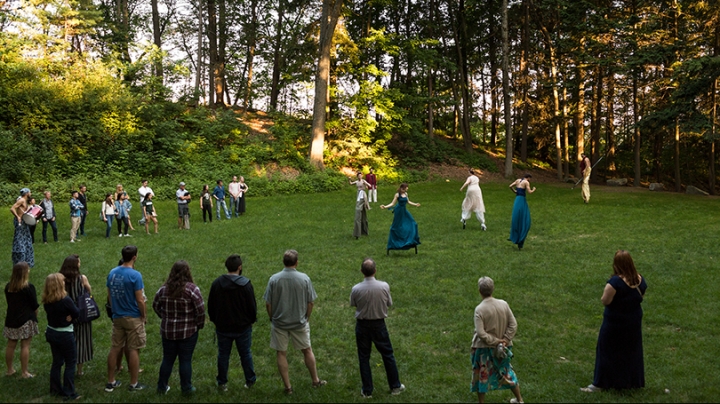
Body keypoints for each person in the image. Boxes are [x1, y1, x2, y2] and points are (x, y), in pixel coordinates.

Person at [581, 250, 647, 393]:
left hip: (615, 323)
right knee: (630, 351)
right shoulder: (640, 280)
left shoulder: (615, 283)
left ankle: (600, 383)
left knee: (606, 351)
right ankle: (630, 381)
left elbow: (605, 300)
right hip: (633, 321)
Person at [263, 250, 326, 394]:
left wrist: (272, 318)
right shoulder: (304, 279)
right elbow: (311, 302)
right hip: (299, 322)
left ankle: (288, 387)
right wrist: (306, 318)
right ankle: (315, 380)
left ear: (283, 262)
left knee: (281, 353)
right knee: (307, 350)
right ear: (296, 263)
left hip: (279, 323)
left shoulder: (274, 279)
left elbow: (268, 303)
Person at [350, 258, 405, 398]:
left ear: (362, 272)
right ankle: (395, 386)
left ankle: (367, 390)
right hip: (379, 324)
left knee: (364, 357)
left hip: (362, 325)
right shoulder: (384, 286)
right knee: (388, 354)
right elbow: (389, 303)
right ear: (375, 271)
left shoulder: (356, 289)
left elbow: (354, 303)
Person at [153, 260, 205, 395]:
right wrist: (198, 324)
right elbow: (200, 310)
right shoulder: (192, 290)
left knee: (167, 359)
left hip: (168, 331)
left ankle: (161, 387)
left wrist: (164, 317)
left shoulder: (163, 290)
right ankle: (186, 388)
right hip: (188, 331)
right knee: (185, 360)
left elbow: (155, 305)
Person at [208, 254, 257, 391]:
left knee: (223, 354)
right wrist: (251, 320)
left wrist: (214, 320)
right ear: (240, 267)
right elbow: (252, 307)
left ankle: (222, 382)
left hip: (223, 326)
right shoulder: (245, 285)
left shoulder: (217, 284)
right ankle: (250, 380)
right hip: (243, 326)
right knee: (245, 354)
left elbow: (211, 305)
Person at [471, 276, 523, 404]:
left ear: (479, 291)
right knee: (507, 372)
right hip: (503, 348)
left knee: (482, 376)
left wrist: (495, 341)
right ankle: (519, 400)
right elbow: (513, 325)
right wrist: (505, 340)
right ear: (493, 289)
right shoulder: (503, 304)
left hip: (483, 349)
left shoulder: (479, 309)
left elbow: (481, 333)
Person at [105, 245, 147, 392]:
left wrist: (115, 309)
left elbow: (109, 295)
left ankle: (111, 381)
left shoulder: (112, 273)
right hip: (133, 316)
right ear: (134, 257)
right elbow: (140, 300)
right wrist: (143, 314)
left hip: (117, 316)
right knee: (134, 348)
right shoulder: (135, 275)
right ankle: (134, 384)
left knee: (115, 348)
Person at [42, 273, 80, 400]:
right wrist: (70, 317)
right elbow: (76, 312)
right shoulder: (65, 300)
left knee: (57, 361)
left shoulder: (47, 300)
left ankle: (55, 388)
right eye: (62, 281)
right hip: (65, 334)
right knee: (70, 362)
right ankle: (70, 392)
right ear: (59, 285)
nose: (64, 283)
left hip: (52, 332)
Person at [59, 255, 94, 377]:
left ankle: (69, 366)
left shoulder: (61, 279)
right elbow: (89, 291)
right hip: (81, 312)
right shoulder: (82, 278)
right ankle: (79, 370)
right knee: (82, 341)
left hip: (66, 313)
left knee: (69, 341)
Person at [4, 261, 39, 378]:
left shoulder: (8, 287)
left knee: (10, 345)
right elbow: (35, 305)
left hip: (11, 319)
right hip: (26, 319)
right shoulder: (28, 287)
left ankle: (9, 370)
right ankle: (24, 372)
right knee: (25, 346)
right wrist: (35, 316)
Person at [380, 183, 421, 254]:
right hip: (399, 211)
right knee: (397, 226)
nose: (407, 189)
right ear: (403, 188)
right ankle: (395, 242)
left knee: (413, 223)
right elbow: (392, 203)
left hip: (404, 211)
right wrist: (385, 207)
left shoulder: (406, 194)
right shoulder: (397, 195)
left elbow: (408, 201)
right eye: (406, 188)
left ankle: (410, 240)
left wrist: (415, 204)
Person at [508, 174, 536, 250]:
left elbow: (510, 186)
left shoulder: (517, 180)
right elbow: (529, 192)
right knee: (524, 218)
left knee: (516, 217)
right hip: (522, 200)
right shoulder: (526, 182)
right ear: (528, 178)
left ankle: (514, 236)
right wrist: (534, 189)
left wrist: (515, 191)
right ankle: (520, 238)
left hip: (517, 200)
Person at [11, 188, 34, 267]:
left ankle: (26, 261)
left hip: (24, 223)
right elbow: (12, 208)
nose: (30, 193)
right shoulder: (21, 200)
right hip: (20, 223)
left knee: (27, 239)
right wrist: (17, 216)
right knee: (20, 239)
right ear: (27, 193)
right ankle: (19, 258)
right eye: (29, 192)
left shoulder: (25, 201)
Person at [349, 172, 371, 239]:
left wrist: (366, 185)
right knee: (361, 211)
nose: (360, 176)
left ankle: (360, 232)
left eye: (361, 175)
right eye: (359, 176)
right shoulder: (357, 181)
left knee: (359, 210)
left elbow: (369, 185)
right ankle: (363, 231)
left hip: (362, 194)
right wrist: (349, 179)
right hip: (359, 194)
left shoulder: (363, 181)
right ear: (357, 176)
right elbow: (351, 183)